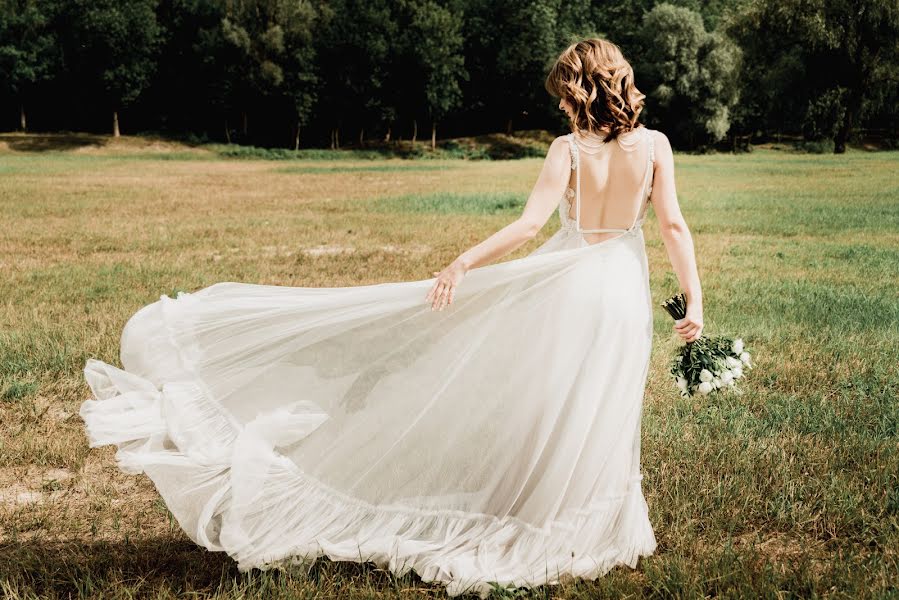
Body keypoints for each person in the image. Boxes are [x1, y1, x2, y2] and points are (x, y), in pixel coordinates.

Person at [80, 37, 703, 599]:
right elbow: (672, 225)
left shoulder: (567, 150)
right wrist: (693, 299)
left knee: (554, 403)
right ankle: (583, 523)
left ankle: (534, 516)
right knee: (602, 407)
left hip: (567, 287)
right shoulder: (655, 147)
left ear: (576, 90)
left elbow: (529, 225)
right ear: (620, 81)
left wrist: (463, 262)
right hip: (621, 292)